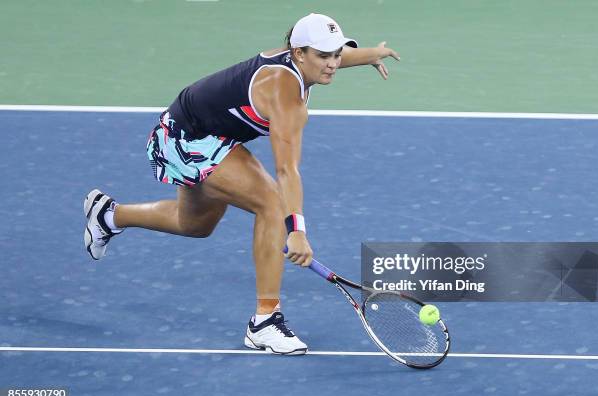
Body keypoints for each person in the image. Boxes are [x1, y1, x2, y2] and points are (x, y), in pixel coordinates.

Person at [84, 13, 400, 355]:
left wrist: (369, 54)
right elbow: (287, 171)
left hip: (202, 126)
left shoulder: (305, 59)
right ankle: (264, 321)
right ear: (299, 54)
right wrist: (296, 229)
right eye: (324, 56)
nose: (333, 64)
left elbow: (335, 57)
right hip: (186, 138)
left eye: (336, 54)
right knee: (271, 203)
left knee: (194, 225)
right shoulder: (285, 96)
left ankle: (109, 216)